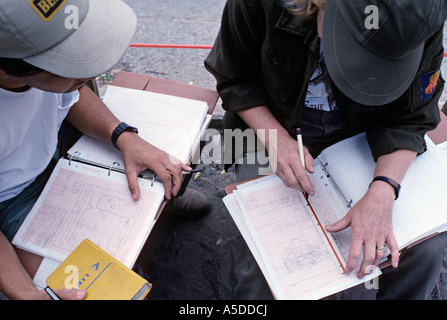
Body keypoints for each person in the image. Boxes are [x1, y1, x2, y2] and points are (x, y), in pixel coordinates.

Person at [205, 0, 447, 299]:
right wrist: (276, 140)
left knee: (425, 249)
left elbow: (411, 117)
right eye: (353, 47)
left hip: (365, 138)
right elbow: (234, 79)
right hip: (269, 127)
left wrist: (384, 189)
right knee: (273, 263)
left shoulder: (422, 15)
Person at [0, 0, 207, 300]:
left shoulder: (35, 71)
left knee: (151, 185)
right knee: (102, 291)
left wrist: (122, 135)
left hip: (56, 158)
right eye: (69, 64)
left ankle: (154, 206)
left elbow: (72, 93)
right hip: (9, 200)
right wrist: (25, 293)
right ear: (7, 71)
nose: (94, 69)